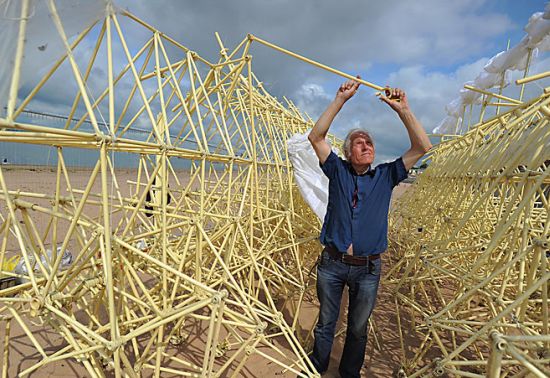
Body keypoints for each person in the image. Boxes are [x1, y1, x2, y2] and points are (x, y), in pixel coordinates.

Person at [307, 76, 432, 377]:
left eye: (369, 142)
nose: (366, 145)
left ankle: (348, 373)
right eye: (359, 142)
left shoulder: (386, 176)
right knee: (326, 324)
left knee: (358, 328)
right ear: (348, 152)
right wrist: (340, 100)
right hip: (332, 264)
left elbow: (423, 146)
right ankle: (316, 370)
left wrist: (403, 110)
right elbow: (316, 137)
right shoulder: (337, 170)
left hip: (368, 269)